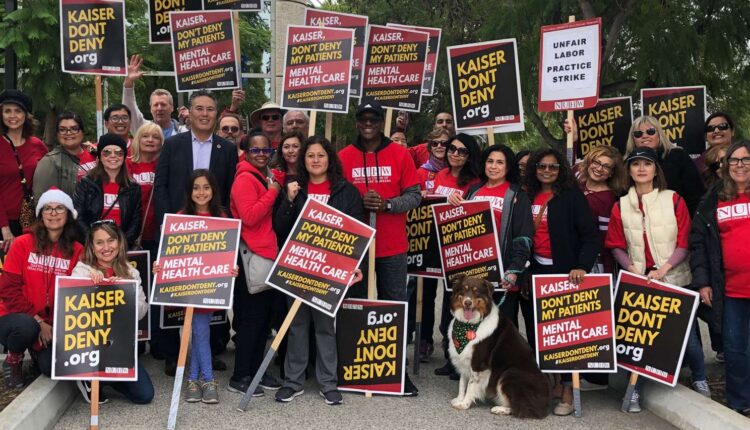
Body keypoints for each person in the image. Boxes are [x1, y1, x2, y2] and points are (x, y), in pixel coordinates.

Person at [606, 146, 708, 412]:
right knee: (640, 340)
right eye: (635, 164)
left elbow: (684, 242)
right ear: (628, 170)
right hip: (639, 280)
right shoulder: (620, 205)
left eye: (647, 164)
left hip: (674, 278)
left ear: (655, 170)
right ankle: (634, 392)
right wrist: (632, 269)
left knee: (688, 339)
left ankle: (700, 379)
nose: (641, 168)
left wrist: (664, 270)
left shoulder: (674, 199)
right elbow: (616, 245)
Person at [272, 136, 365, 405]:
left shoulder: (346, 191)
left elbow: (356, 230)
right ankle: (293, 381)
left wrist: (356, 266)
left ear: (329, 159)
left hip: (330, 272)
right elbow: (279, 227)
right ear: (303, 160)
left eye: (320, 155)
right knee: (297, 325)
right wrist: (289, 200)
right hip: (298, 268)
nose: (315, 160)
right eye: (310, 155)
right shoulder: (295, 189)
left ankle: (328, 382)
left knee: (325, 326)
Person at [338, 101, 421, 395]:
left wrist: (388, 204)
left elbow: (414, 196)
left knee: (394, 307)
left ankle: (397, 372)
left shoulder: (400, 154)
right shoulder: (343, 156)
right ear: (357, 122)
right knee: (354, 306)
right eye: (363, 118)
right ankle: (354, 367)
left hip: (392, 246)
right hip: (355, 246)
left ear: (382, 122)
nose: (368, 123)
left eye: (374, 118)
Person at [152, 90, 237, 375]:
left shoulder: (227, 149)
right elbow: (161, 186)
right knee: (175, 294)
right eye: (199, 108)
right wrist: (167, 225)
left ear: (216, 114)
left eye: (210, 109)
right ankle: (172, 354)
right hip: (178, 230)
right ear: (189, 112)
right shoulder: (173, 144)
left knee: (211, 293)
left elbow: (228, 191)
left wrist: (225, 230)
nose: (204, 114)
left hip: (213, 232)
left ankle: (209, 351)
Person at [525, 148, 599, 416]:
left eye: (553, 167)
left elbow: (590, 235)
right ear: (534, 168)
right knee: (538, 332)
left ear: (561, 170)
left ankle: (568, 389)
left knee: (564, 335)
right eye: (541, 166)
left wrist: (581, 266)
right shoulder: (527, 194)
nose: (546, 171)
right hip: (533, 271)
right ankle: (555, 383)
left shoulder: (571, 196)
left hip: (564, 272)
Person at [154, 170, 237, 404]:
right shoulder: (180, 218)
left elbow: (227, 253)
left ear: (213, 190)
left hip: (210, 286)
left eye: (206, 187)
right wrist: (160, 266)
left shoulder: (222, 217)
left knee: (200, 330)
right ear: (189, 192)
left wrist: (232, 269)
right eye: (196, 188)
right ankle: (204, 380)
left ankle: (196, 379)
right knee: (200, 330)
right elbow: (170, 253)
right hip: (188, 287)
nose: (201, 192)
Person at [0, 189, 83, 389]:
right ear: (40, 214)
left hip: (51, 323)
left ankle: (37, 351)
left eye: (59, 208)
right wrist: (38, 321)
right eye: (48, 208)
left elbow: (75, 294)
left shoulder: (77, 250)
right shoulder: (22, 244)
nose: (53, 213)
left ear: (68, 214)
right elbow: (8, 290)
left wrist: (54, 326)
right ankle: (13, 359)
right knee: (27, 327)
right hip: (15, 317)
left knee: (51, 367)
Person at [690, 140, 750, 418]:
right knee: (735, 348)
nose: (740, 165)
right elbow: (698, 242)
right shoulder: (713, 199)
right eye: (734, 160)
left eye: (746, 159)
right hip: (731, 290)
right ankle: (740, 401)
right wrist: (703, 282)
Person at [71, 220, 153, 404]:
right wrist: (90, 286)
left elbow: (141, 312)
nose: (106, 247)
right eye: (99, 242)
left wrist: (125, 292)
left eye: (111, 240)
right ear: (92, 246)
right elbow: (73, 313)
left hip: (120, 346)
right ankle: (87, 378)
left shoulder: (131, 272)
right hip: (91, 346)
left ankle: (109, 379)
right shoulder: (82, 270)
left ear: (119, 242)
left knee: (144, 395)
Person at [229, 132, 282, 396]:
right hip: (251, 255)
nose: (261, 154)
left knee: (263, 321)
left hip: (266, 254)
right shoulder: (244, 179)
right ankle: (240, 375)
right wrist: (272, 193)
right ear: (246, 152)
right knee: (251, 321)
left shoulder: (265, 175)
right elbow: (249, 217)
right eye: (255, 150)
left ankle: (257, 371)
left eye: (266, 150)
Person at [466, 144, 533, 338]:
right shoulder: (473, 190)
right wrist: (455, 201)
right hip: (474, 273)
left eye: (500, 162)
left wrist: (514, 270)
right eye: (490, 161)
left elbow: (523, 236)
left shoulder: (516, 194)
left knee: (502, 331)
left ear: (508, 166)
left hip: (503, 274)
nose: (493, 166)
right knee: (474, 328)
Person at [624, 115, 705, 214]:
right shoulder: (626, 163)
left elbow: (695, 194)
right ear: (633, 139)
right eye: (638, 134)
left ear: (659, 134)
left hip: (678, 218)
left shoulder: (678, 156)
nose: (644, 136)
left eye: (650, 131)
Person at [73, 134, 142, 248]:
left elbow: (135, 222)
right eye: (107, 152)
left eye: (119, 152)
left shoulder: (133, 187)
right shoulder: (86, 183)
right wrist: (95, 242)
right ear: (99, 156)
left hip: (121, 247)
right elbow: (78, 217)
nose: (113, 156)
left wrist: (121, 244)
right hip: (92, 246)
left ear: (124, 157)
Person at [0, 89, 47, 251]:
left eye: (18, 111)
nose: (12, 116)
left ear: (26, 115)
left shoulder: (37, 144)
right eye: (7, 111)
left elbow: (49, 175)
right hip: (4, 223)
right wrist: (5, 228)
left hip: (31, 221)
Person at [33, 112, 96, 202]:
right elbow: (43, 201)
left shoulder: (97, 155)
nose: (68, 133)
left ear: (82, 132)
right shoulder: (49, 162)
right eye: (62, 130)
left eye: (74, 129)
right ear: (57, 134)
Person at [122, 55, 185, 138]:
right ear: (150, 108)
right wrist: (128, 82)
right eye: (155, 105)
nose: (159, 108)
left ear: (172, 108)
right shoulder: (142, 128)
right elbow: (129, 110)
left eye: (163, 104)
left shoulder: (184, 132)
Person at [126, 123, 163, 252]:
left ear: (161, 142)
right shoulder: (127, 164)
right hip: (131, 231)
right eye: (145, 136)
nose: (150, 140)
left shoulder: (164, 165)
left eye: (156, 137)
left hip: (157, 233)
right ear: (138, 139)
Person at [415, 127, 450, 194]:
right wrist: (419, 194)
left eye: (444, 143)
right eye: (435, 143)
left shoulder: (456, 171)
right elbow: (411, 195)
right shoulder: (420, 173)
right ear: (430, 147)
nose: (439, 146)